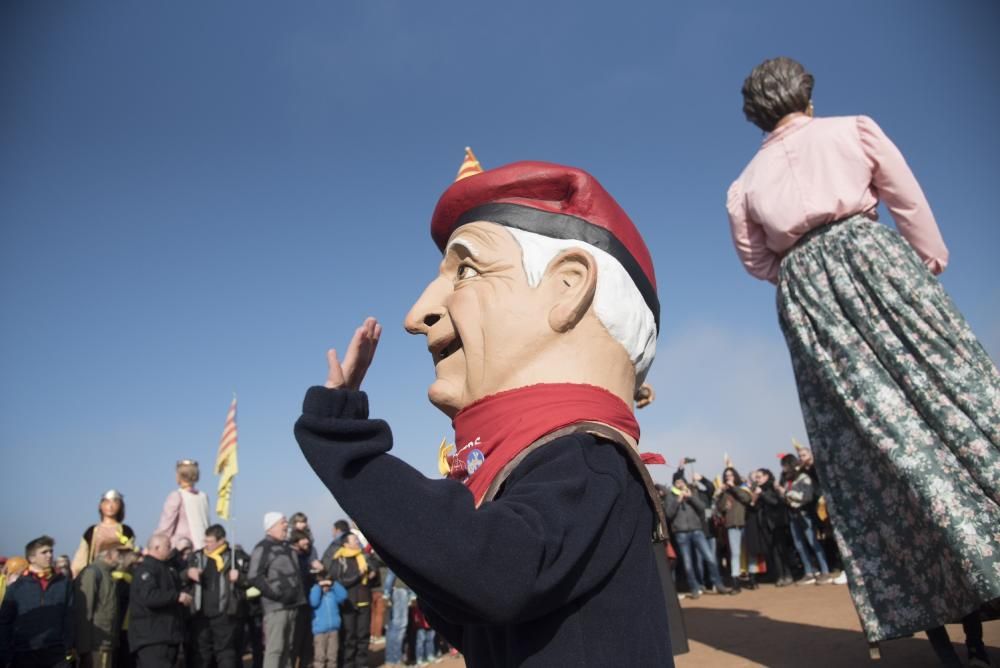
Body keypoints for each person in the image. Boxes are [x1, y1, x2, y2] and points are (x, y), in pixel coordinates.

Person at [295, 157, 689, 666]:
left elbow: (492, 574)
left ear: (569, 286)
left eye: (466, 269)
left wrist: (343, 441)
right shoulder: (541, 466)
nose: (417, 316)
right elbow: (470, 609)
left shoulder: (589, 457)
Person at [727, 56, 999, 664]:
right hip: (876, 257)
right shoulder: (854, 129)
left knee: (866, 447)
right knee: (955, 397)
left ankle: (929, 613)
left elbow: (757, 262)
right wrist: (923, 266)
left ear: (755, 116)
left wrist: (805, 275)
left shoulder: (743, 185)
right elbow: (908, 201)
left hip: (808, 296)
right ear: (807, 96)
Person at [0, 536, 73, 668]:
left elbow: (70, 616)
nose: (50, 555)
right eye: (44, 552)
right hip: (24, 652)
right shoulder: (17, 588)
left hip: (56, 653)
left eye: (51, 551)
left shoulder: (64, 584)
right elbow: (5, 622)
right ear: (32, 558)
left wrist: (69, 645)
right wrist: (6, 654)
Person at [247, 513, 305, 668]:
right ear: (271, 527)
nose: (286, 525)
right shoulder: (262, 547)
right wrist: (276, 594)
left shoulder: (287, 547)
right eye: (282, 523)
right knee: (275, 649)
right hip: (275, 608)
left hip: (293, 605)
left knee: (289, 648)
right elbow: (254, 576)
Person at [185, 525, 247, 668]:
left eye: (210, 541)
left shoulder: (233, 557)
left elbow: (250, 580)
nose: (206, 545)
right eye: (205, 541)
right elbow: (182, 577)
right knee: (201, 654)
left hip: (225, 614)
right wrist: (188, 573)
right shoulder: (197, 556)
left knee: (226, 654)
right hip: (201, 614)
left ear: (221, 541)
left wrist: (240, 578)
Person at [664, 473, 731, 598]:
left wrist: (690, 498)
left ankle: (719, 584)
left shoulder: (692, 492)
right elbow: (668, 515)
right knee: (688, 563)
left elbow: (701, 508)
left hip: (697, 530)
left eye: (682, 481)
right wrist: (678, 501)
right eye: (677, 482)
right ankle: (694, 588)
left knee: (710, 558)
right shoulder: (670, 496)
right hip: (681, 533)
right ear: (674, 484)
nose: (680, 484)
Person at [129, 534, 191, 668]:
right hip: (152, 638)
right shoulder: (146, 569)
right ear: (156, 548)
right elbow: (149, 596)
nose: (171, 549)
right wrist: (176, 596)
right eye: (168, 546)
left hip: (169, 636)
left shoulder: (167, 568)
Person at [73, 542, 131, 668]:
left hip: (106, 643)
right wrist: (84, 649)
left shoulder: (107, 574)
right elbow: (84, 613)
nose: (121, 557)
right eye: (118, 552)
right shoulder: (92, 573)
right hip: (96, 645)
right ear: (107, 554)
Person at [778, 455, 831, 585]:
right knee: (799, 545)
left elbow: (806, 497)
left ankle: (825, 571)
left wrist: (786, 493)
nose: (783, 469)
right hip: (792, 515)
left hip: (805, 514)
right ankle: (809, 572)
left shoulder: (804, 478)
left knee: (813, 542)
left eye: (785, 465)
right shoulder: (787, 481)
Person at [328, 533, 372, 668]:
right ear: (346, 544)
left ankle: (362, 664)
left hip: (364, 600)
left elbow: (374, 574)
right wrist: (359, 575)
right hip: (348, 603)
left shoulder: (364, 556)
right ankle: (348, 664)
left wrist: (372, 573)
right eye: (354, 540)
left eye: (358, 540)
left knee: (363, 636)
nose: (358, 542)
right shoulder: (339, 559)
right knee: (349, 637)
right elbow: (339, 581)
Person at [745, 469, 794, 587]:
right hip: (765, 525)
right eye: (756, 477)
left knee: (782, 550)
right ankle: (780, 575)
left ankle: (788, 574)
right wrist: (754, 499)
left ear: (766, 476)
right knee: (773, 552)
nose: (757, 479)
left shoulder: (773, 487)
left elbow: (775, 502)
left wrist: (762, 493)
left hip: (777, 523)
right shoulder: (758, 490)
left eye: (759, 477)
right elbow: (754, 509)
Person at [72, 490, 137, 577]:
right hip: (96, 575)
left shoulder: (126, 531)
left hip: (121, 577)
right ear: (100, 505)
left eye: (115, 501)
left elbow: (129, 555)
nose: (110, 505)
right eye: (107, 501)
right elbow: (81, 559)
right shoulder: (91, 531)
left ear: (121, 505)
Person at [155, 460, 210, 552]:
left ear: (179, 475)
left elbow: (165, 526)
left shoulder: (176, 496)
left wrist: (154, 544)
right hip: (203, 546)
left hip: (182, 548)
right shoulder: (203, 496)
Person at [715, 467, 752, 591]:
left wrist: (734, 487)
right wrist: (720, 495)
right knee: (735, 554)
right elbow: (720, 508)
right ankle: (736, 582)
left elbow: (747, 499)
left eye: (730, 475)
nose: (728, 477)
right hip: (732, 526)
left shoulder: (742, 488)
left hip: (745, 524)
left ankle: (752, 578)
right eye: (726, 475)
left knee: (749, 552)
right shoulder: (725, 492)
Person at [307, 571, 346, 668]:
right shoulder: (315, 592)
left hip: (334, 630)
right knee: (320, 657)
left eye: (327, 584)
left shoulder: (333, 594)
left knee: (332, 657)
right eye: (323, 584)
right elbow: (313, 602)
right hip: (320, 632)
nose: (326, 587)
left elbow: (344, 595)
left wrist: (333, 584)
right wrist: (318, 587)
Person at [287, 530, 314, 668]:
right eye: (304, 539)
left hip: (307, 604)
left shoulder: (305, 557)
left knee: (306, 644)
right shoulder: (290, 556)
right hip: (296, 605)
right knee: (294, 643)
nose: (307, 542)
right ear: (297, 541)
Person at [381, 570, 411, 668]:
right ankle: (396, 660)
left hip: (394, 591)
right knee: (399, 628)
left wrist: (386, 593)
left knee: (392, 629)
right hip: (400, 591)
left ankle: (390, 660)